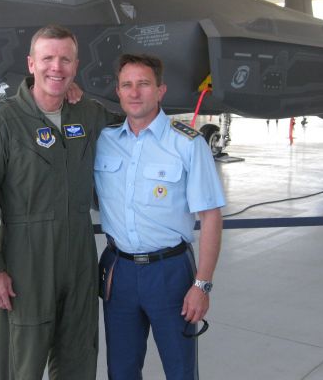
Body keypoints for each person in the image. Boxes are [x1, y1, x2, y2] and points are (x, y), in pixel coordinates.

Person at [0, 25, 116, 380]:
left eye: (65, 60)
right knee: (24, 359)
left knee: (80, 353)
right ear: (31, 64)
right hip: (26, 260)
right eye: (48, 58)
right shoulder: (1, 121)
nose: (56, 67)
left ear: (76, 66)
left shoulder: (88, 114)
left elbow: (132, 126)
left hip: (79, 254)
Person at [94, 53, 225, 379]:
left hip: (170, 272)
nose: (134, 92)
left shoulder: (188, 144)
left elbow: (211, 216)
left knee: (180, 370)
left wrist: (202, 284)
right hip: (119, 271)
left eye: (143, 84)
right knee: (121, 370)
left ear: (160, 90)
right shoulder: (105, 142)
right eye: (127, 85)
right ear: (118, 91)